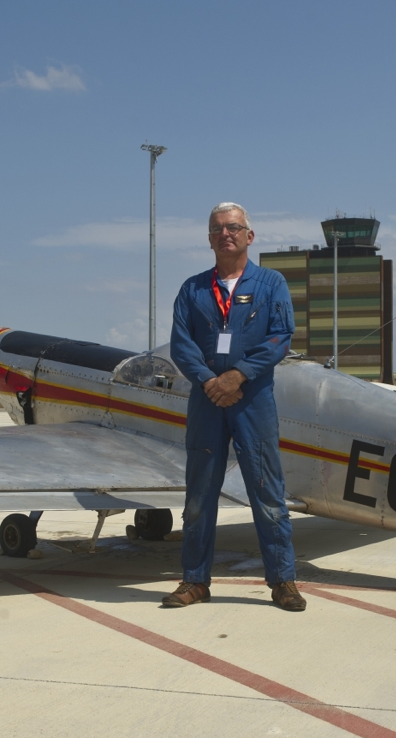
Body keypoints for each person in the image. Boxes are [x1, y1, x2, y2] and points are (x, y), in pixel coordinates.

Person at [163, 202, 305, 611]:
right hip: (206, 401)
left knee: (267, 491)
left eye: (233, 227)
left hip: (253, 401)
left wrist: (237, 376)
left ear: (249, 236)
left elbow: (281, 337)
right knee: (199, 495)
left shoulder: (272, 283)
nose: (226, 234)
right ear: (209, 239)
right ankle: (194, 580)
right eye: (217, 229)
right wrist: (210, 381)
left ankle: (283, 581)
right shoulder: (192, 290)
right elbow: (181, 345)